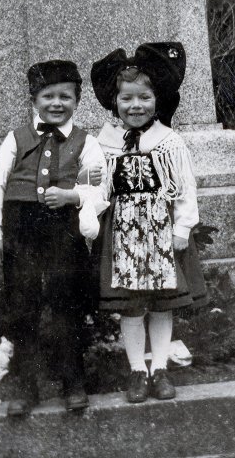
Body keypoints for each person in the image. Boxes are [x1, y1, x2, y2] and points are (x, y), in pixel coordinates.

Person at [0, 59, 107, 416]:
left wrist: (73, 196)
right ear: (34, 99)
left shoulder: (87, 142)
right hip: (20, 228)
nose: (56, 103)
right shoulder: (16, 138)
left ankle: (73, 380)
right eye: (47, 95)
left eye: (65, 96)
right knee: (22, 304)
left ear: (77, 100)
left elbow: (100, 190)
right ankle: (26, 384)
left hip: (62, 229)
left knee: (67, 302)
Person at [90, 42, 208, 403]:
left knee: (161, 304)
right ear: (115, 101)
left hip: (159, 231)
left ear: (158, 99)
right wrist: (90, 217)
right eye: (127, 99)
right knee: (130, 305)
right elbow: (99, 189)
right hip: (122, 233)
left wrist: (182, 228)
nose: (135, 106)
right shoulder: (105, 142)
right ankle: (136, 371)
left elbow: (185, 188)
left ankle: (160, 368)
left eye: (144, 97)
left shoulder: (168, 142)